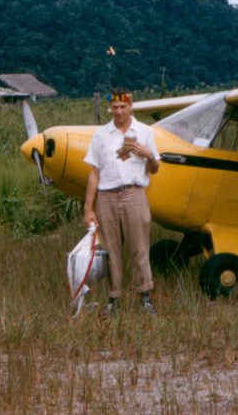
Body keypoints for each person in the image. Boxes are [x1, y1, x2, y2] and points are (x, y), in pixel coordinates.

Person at [82, 90, 160, 315]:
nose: (118, 112)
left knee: (139, 247)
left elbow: (154, 169)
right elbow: (94, 172)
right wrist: (88, 207)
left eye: (122, 107)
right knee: (109, 249)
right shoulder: (101, 135)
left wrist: (149, 155)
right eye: (115, 107)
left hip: (134, 194)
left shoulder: (145, 132)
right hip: (106, 197)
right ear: (110, 109)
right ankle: (113, 299)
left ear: (130, 107)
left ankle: (145, 297)